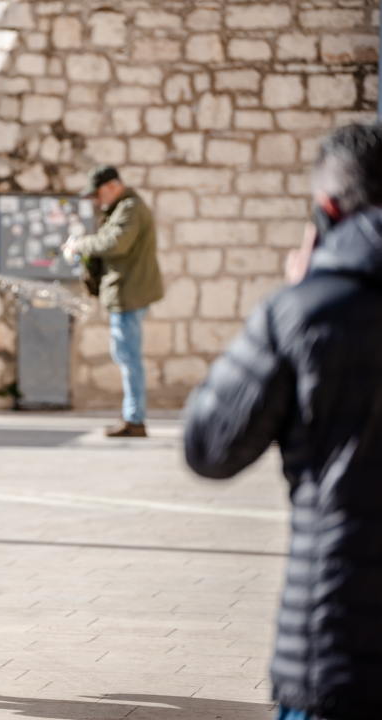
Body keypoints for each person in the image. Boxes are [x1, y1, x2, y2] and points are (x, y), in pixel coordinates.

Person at [182, 124, 382, 720]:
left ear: (325, 210)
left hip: (341, 644)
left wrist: (293, 296)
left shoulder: (305, 308)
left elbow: (209, 446)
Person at [62, 165, 164, 437]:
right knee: (126, 355)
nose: (96, 201)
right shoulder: (124, 207)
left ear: (111, 186)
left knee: (128, 357)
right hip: (125, 291)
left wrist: (80, 245)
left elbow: (115, 243)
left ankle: (135, 419)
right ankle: (133, 416)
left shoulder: (129, 207)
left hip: (128, 292)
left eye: (97, 194)